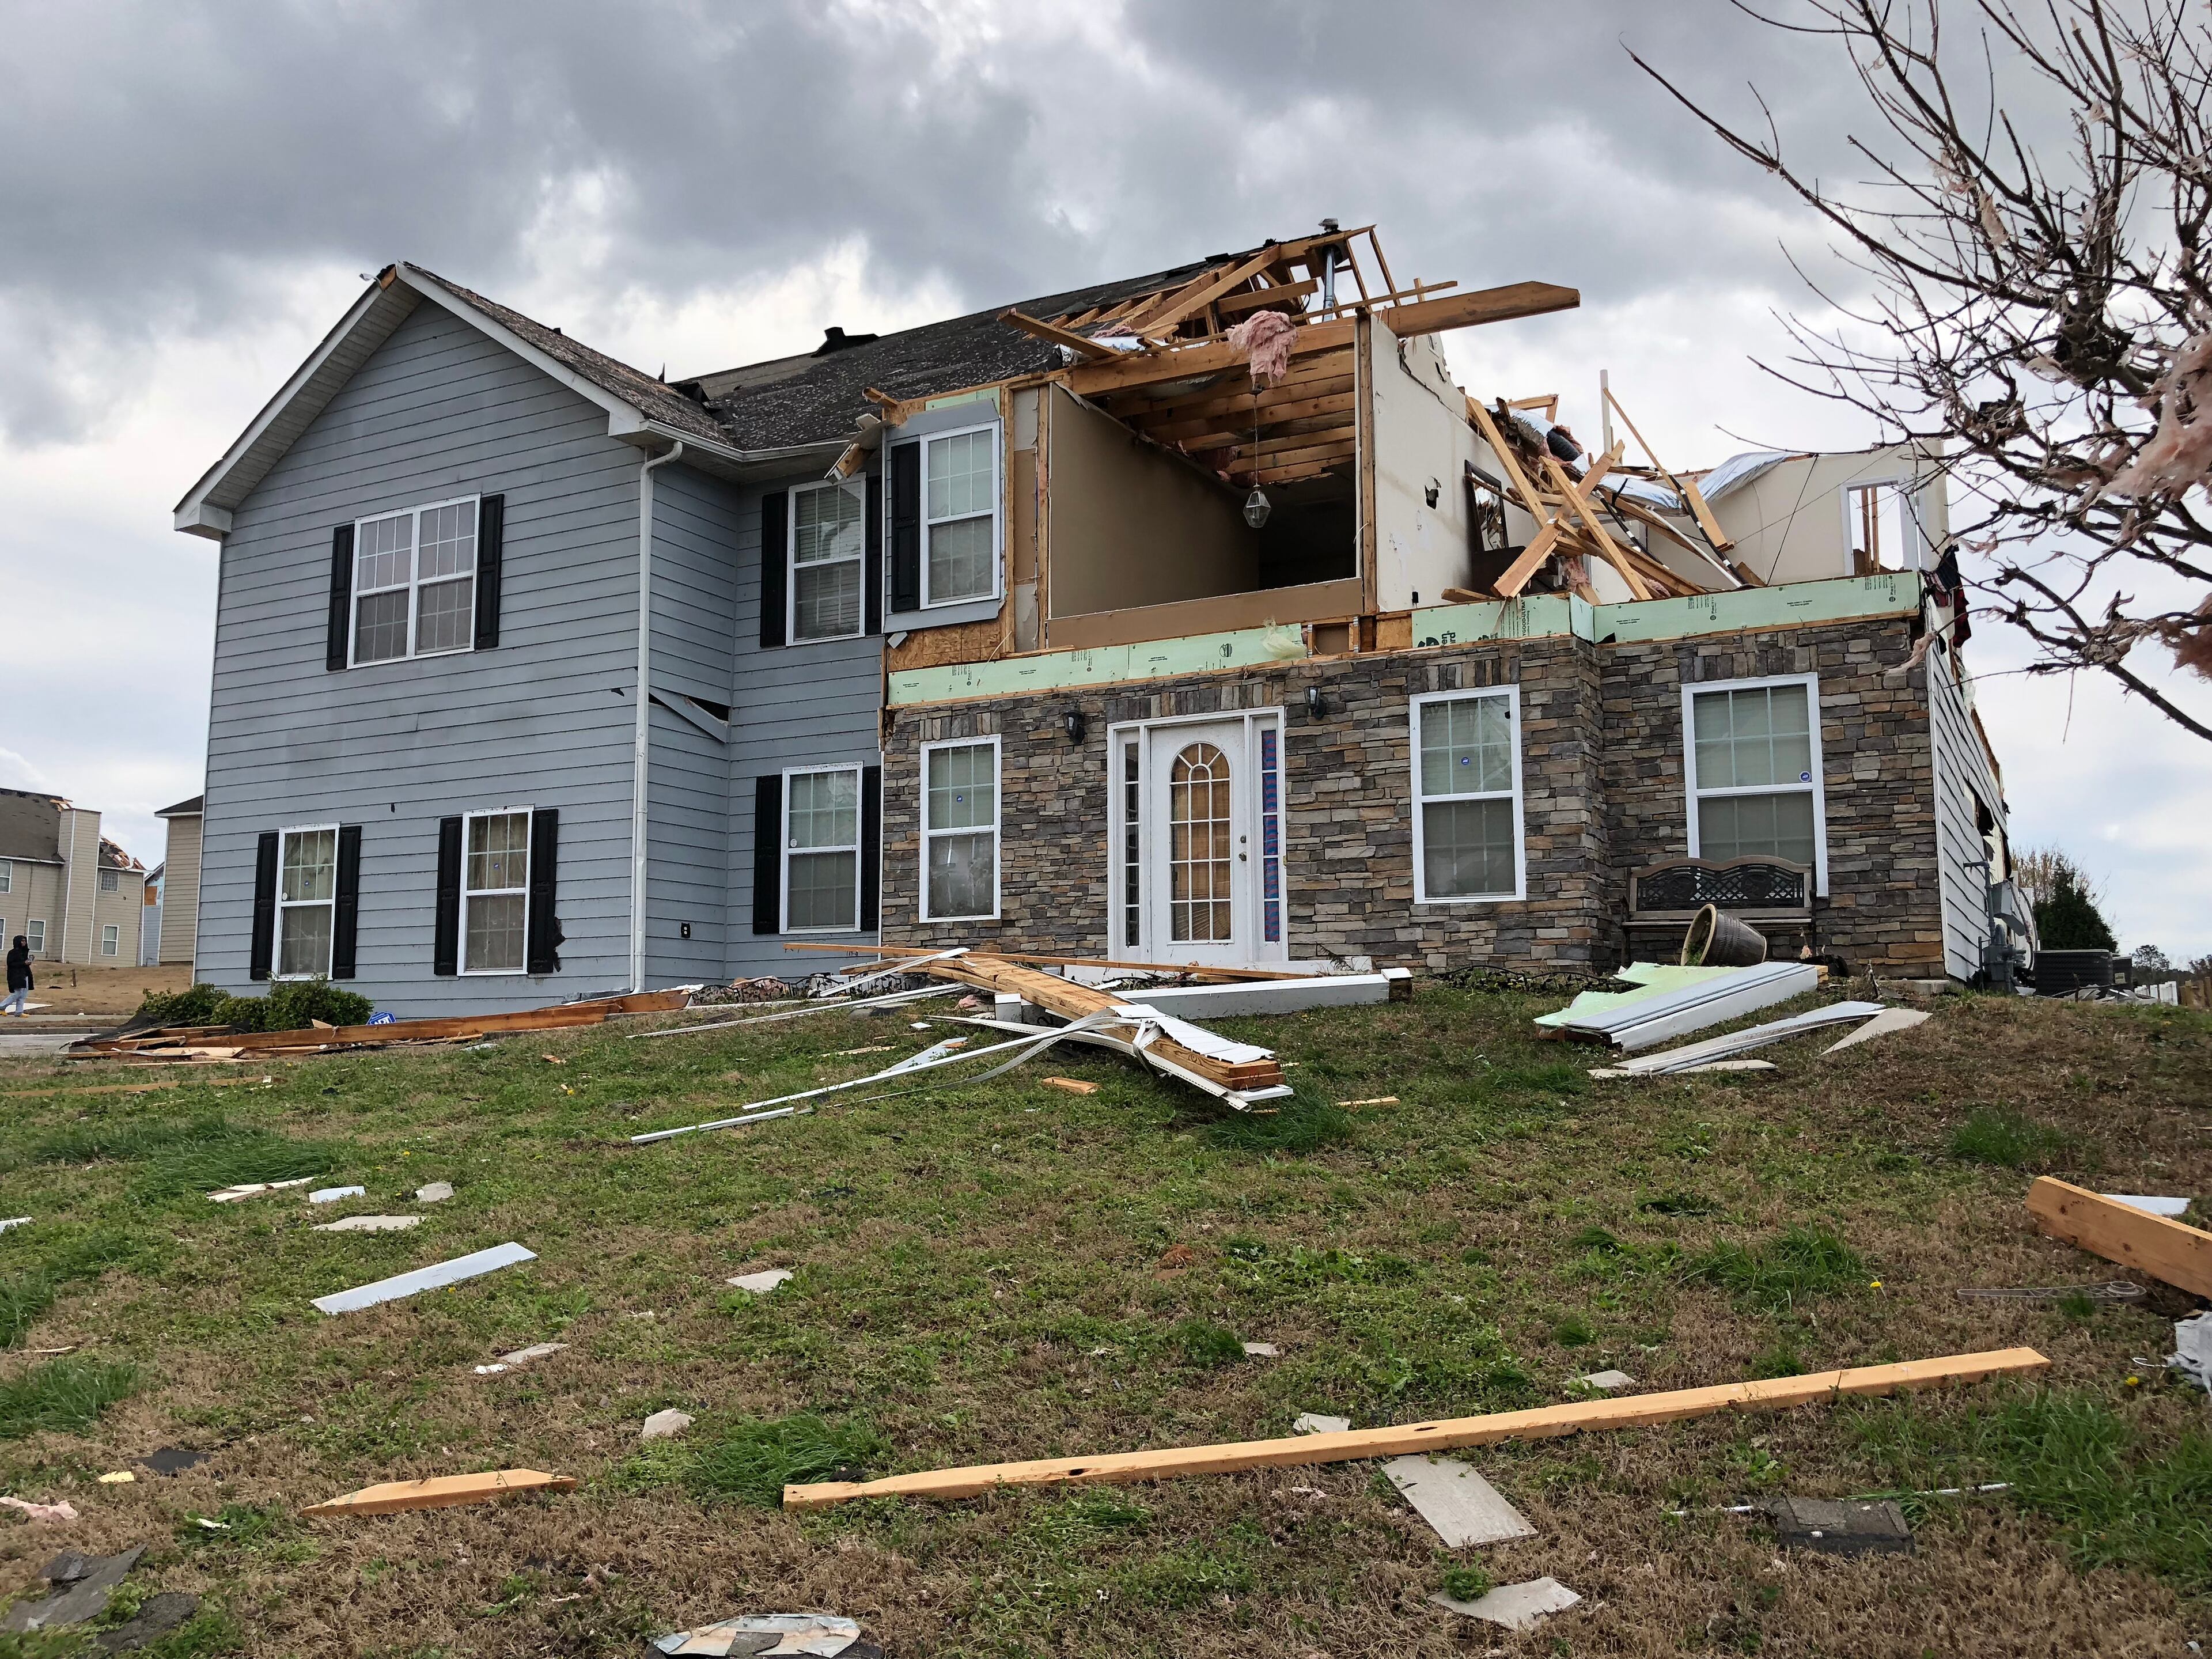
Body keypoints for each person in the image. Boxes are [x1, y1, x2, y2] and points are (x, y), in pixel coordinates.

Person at [2, 935, 29, 1017]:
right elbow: (11, 964)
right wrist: (23, 963)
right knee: (17, 993)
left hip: (25, 975)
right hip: (16, 975)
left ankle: (19, 1012)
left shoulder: (24, 952)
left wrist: (28, 962)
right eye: (22, 941)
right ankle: (1, 1007)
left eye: (25, 941)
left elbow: (24, 964)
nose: (24, 942)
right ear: (18, 942)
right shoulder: (13, 952)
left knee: (23, 994)